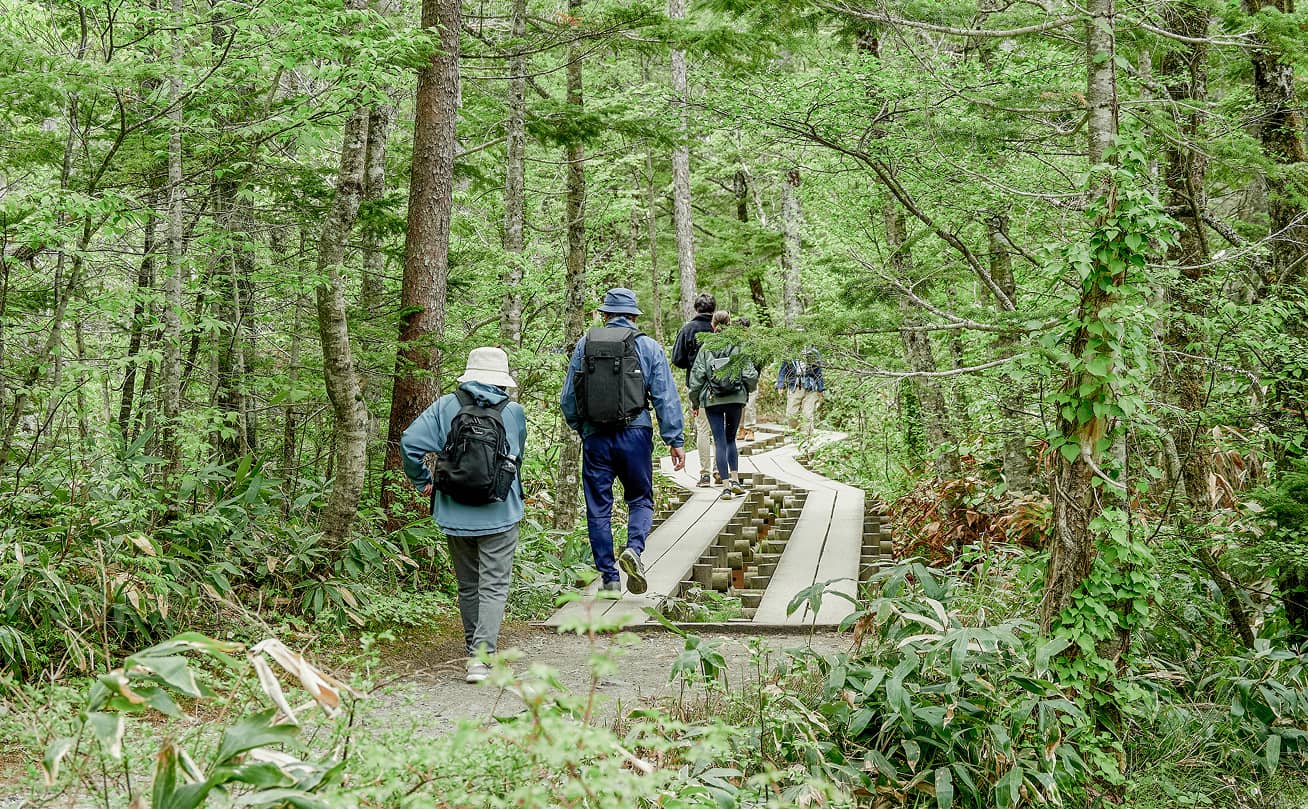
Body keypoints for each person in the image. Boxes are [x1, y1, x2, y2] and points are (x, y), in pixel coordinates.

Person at [401, 347, 527, 684]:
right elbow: (516, 458)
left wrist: (423, 481)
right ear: (502, 380)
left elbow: (410, 442)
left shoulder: (445, 406)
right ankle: (480, 660)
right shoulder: (513, 411)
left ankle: (475, 654)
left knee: (469, 585)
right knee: (494, 586)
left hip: (454, 510)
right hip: (501, 510)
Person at [560, 288, 686, 595]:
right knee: (640, 499)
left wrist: (584, 428)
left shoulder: (585, 345)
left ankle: (609, 579)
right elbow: (665, 396)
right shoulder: (648, 346)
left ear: (604, 315)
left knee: (598, 508)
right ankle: (634, 549)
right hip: (635, 434)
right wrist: (674, 439)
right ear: (633, 317)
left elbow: (568, 399)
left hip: (595, 438)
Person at [688, 311, 759, 498]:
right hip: (735, 399)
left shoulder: (706, 347)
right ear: (730, 324)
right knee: (730, 440)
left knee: (719, 441)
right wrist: (746, 390)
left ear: (712, 325)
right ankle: (735, 480)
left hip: (713, 400)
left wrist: (695, 402)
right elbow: (750, 375)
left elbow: (697, 378)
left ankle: (726, 487)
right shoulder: (738, 345)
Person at [671, 293, 718, 487]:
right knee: (721, 429)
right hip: (723, 386)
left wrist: (692, 363)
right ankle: (719, 470)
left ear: (696, 308)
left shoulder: (688, 329)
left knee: (703, 429)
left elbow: (677, 359)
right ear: (714, 309)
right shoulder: (720, 328)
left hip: (698, 387)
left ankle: (705, 474)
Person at [777, 346, 825, 435]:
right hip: (795, 385)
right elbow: (783, 369)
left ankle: (805, 436)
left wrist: (820, 389)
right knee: (791, 414)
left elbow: (818, 372)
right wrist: (780, 385)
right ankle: (796, 432)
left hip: (810, 386)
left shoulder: (813, 352)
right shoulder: (790, 352)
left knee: (808, 414)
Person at [736, 317, 759, 441]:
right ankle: (741, 429)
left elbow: (759, 360)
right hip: (737, 379)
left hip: (751, 378)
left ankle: (750, 429)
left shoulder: (753, 342)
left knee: (750, 405)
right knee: (740, 405)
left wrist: (755, 374)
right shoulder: (734, 342)